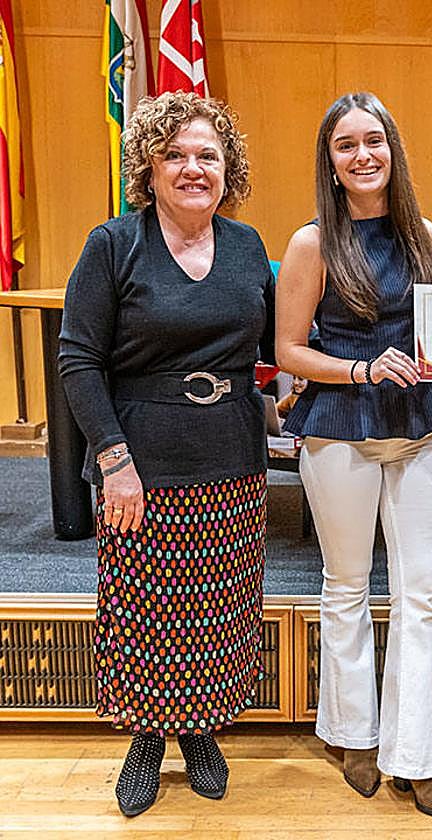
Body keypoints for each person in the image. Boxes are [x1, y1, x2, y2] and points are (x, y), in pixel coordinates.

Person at [58, 92, 273, 817]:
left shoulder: (247, 247)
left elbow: (274, 346)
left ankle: (200, 728)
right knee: (147, 609)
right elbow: (78, 362)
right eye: (174, 154)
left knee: (219, 607)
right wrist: (114, 461)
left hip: (233, 457)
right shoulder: (112, 244)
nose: (192, 167)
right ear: (148, 169)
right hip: (141, 464)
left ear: (227, 169)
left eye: (207, 155)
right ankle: (148, 734)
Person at [274, 92, 432, 824]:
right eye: (346, 144)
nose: (363, 156)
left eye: (374, 141)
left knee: (420, 594)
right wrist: (359, 370)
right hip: (340, 425)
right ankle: (354, 734)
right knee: (346, 585)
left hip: (421, 426)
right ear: (329, 159)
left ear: (393, 148)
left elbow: (431, 339)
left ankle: (417, 757)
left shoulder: (420, 230)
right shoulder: (310, 242)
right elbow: (288, 351)